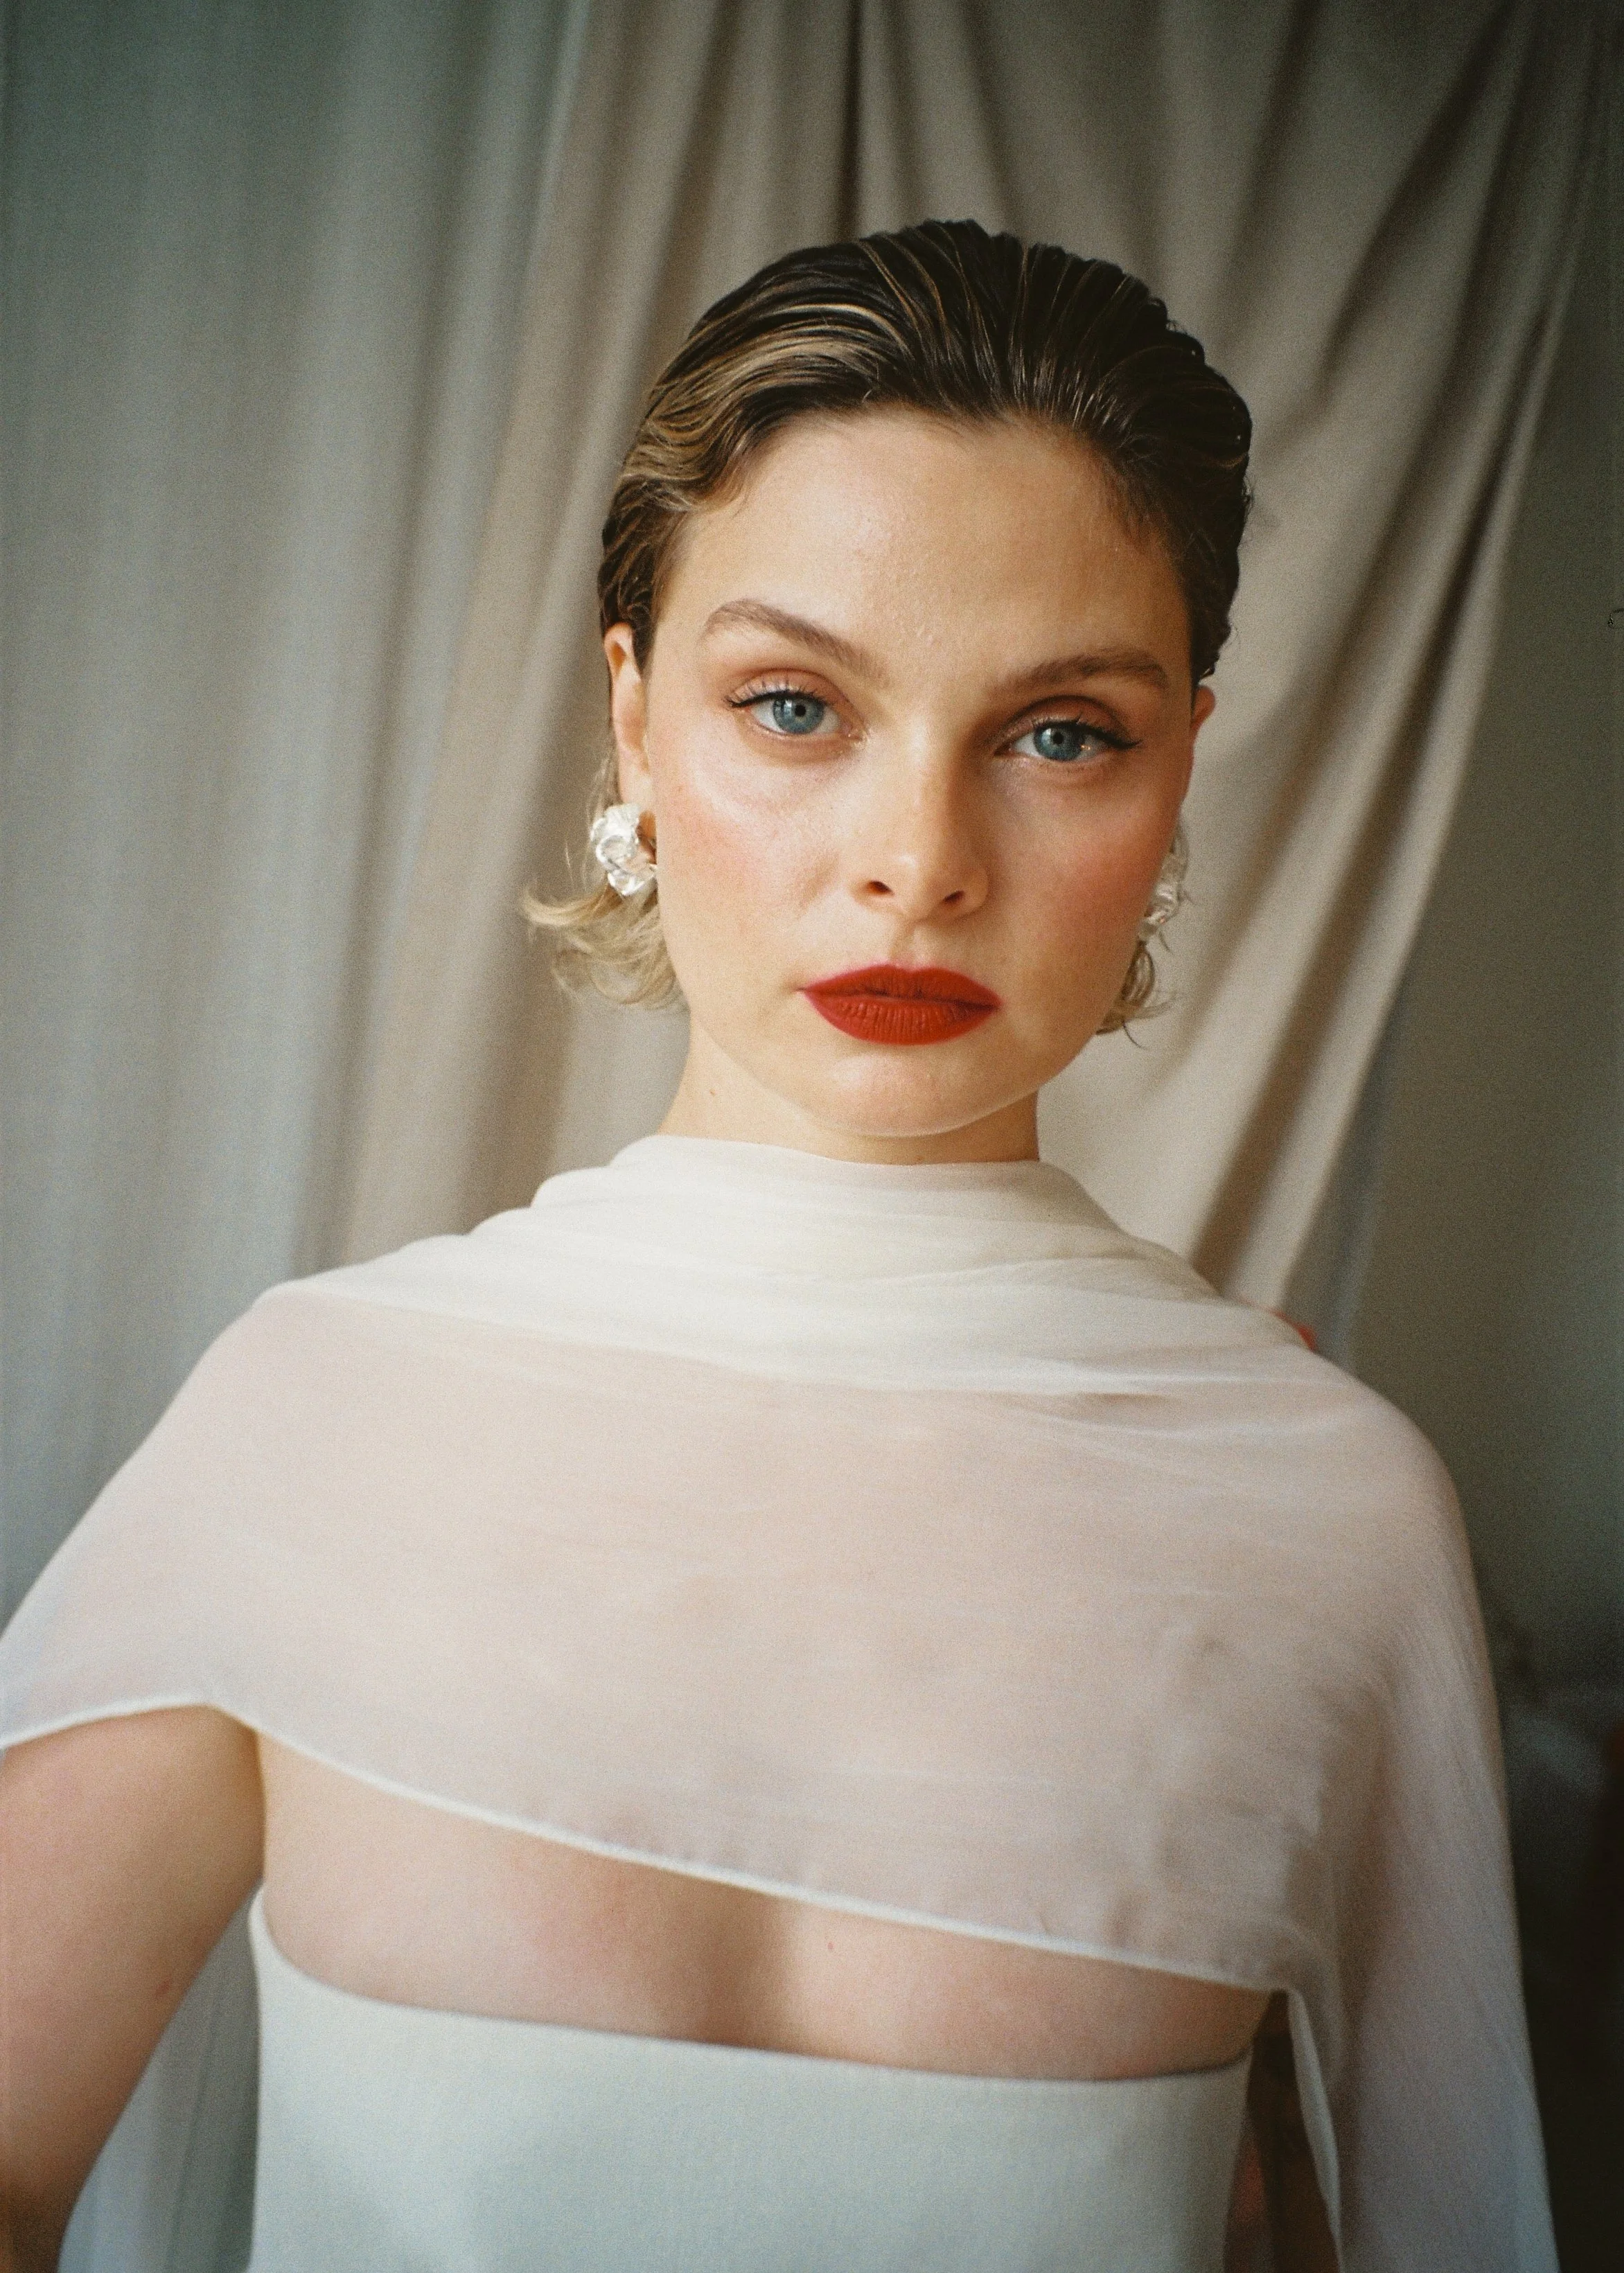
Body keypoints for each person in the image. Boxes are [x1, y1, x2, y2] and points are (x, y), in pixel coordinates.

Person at [0, 221, 1552, 2272]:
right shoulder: (319, 1409)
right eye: (800, 705)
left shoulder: (1334, 1513)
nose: (919, 856)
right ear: (638, 725)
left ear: (1179, 765)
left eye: (1060, 730)